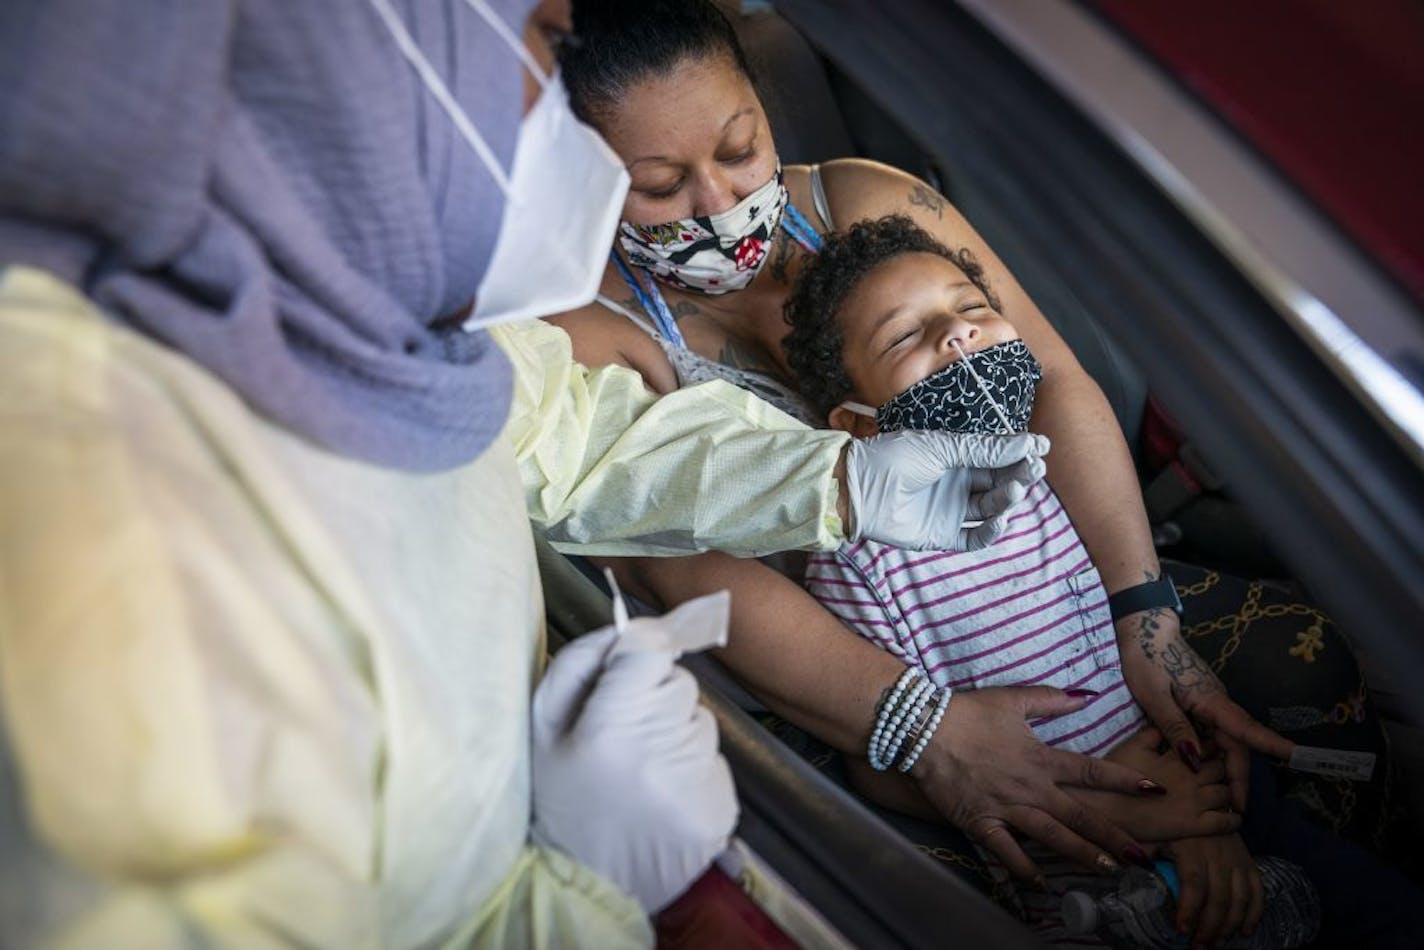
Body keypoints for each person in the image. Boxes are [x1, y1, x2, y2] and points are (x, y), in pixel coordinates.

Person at [0, 1, 1060, 945]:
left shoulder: (371, 308)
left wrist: (838, 479)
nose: (560, 121)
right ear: (370, 76)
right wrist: (584, 895)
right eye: (540, 42)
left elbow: (584, 442)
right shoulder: (96, 543)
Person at [547, 0, 1397, 908]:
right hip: (846, 670)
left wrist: (1138, 611)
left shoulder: (865, 201)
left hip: (1041, 584)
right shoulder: (586, 338)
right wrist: (931, 733)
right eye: (659, 183)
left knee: (1304, 669)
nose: (717, 202)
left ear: (760, 102)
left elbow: (1051, 379)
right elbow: (692, 575)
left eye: (738, 147)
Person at [783, 214, 1424, 947]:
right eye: (904, 337)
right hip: (1083, 862)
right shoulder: (858, 561)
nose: (956, 336)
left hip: (1211, 787)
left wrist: (1197, 804)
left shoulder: (1048, 472)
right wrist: (1132, 810)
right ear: (858, 427)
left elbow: (1132, 634)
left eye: (972, 309)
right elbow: (887, 761)